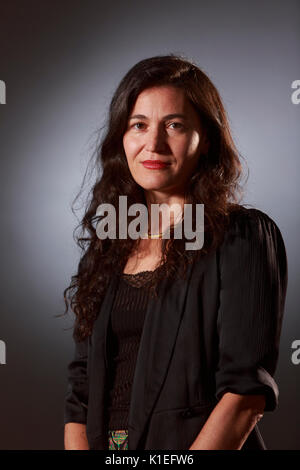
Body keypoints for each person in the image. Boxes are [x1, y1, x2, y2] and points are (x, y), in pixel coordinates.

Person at [63, 54, 288, 450]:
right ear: (122, 139)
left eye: (175, 125)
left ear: (205, 140)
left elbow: (244, 396)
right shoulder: (106, 250)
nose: (154, 143)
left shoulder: (242, 236)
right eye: (139, 125)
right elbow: (79, 396)